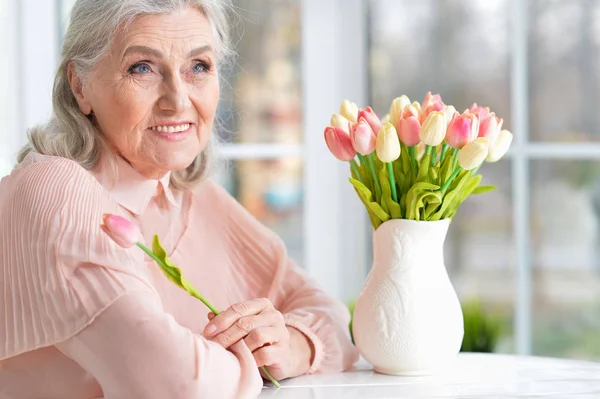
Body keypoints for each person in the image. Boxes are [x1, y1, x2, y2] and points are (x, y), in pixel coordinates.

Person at [0, 0, 358, 398]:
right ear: (80, 85)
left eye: (199, 67)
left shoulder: (187, 195)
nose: (178, 100)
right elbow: (182, 386)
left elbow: (334, 320)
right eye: (142, 68)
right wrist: (248, 356)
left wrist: (289, 345)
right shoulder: (52, 192)